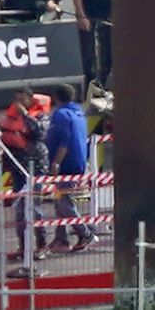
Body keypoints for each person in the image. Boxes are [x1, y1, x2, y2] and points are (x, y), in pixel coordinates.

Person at [1, 87, 51, 269]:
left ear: (30, 99)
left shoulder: (41, 116)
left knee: (34, 207)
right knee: (19, 210)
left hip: (36, 167)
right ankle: (23, 247)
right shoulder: (11, 117)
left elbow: (40, 133)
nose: (19, 103)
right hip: (18, 168)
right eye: (17, 99)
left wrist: (26, 115)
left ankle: (42, 245)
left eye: (22, 99)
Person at [45, 85, 97, 253]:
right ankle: (61, 238)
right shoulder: (79, 113)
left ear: (56, 97)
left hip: (65, 166)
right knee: (59, 200)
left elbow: (64, 141)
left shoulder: (61, 115)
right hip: (78, 163)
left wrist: (56, 163)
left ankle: (85, 233)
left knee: (63, 202)